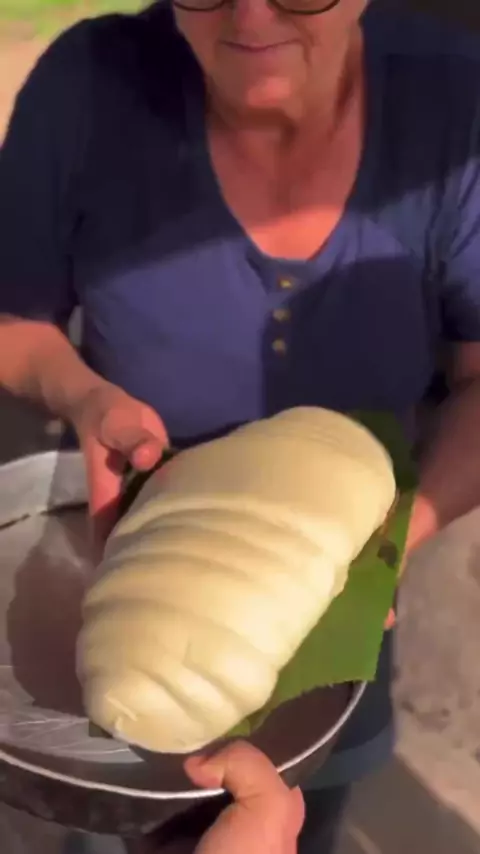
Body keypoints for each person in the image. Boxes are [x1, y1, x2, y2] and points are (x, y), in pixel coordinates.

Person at [2, 0, 480, 849]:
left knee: (305, 800)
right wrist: (82, 396)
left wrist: (382, 551)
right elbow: (14, 323)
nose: (250, 13)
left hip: (335, 580)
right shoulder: (87, 84)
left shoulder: (453, 104)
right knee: (115, 803)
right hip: (138, 549)